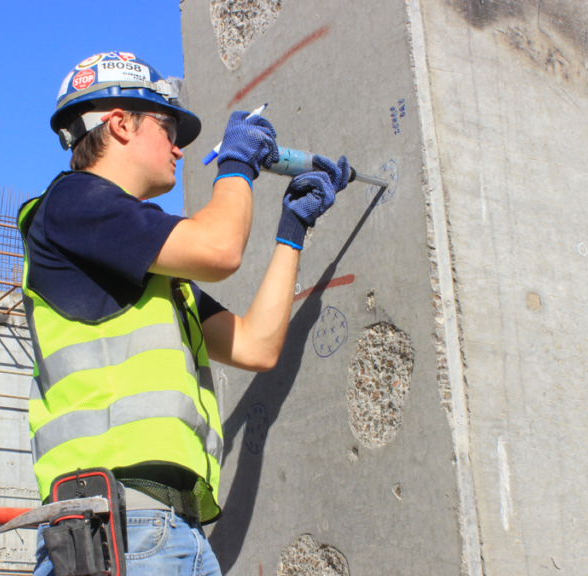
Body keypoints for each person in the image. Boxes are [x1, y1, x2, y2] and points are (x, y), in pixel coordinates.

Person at [17, 51, 349, 576]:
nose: (178, 147)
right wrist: (236, 162)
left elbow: (256, 346)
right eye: (167, 128)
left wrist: (293, 229)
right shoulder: (72, 203)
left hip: (167, 531)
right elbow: (220, 249)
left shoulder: (149, 274)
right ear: (120, 124)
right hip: (115, 528)